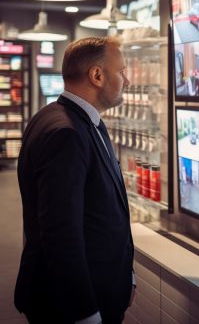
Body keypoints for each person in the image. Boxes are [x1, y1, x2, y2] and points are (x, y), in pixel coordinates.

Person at [14, 37, 135, 324]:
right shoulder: (66, 133)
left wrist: (125, 277)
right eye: (121, 72)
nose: (127, 81)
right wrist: (85, 313)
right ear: (96, 75)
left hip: (96, 288)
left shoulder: (68, 119)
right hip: (70, 305)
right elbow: (60, 234)